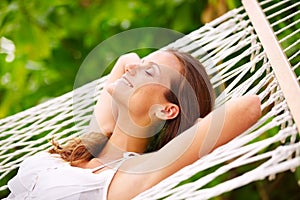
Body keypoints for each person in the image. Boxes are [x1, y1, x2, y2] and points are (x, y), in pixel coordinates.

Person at [6, 49, 261, 200]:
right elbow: (126, 58)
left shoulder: (131, 175)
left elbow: (249, 106)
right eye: (141, 65)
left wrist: (194, 126)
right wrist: (142, 66)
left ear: (166, 110)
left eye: (149, 72)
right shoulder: (92, 141)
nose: (133, 68)